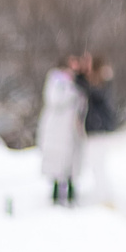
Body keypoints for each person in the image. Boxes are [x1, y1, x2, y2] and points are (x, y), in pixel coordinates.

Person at [39, 56, 87, 205]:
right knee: (57, 161)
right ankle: (56, 190)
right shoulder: (57, 81)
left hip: (72, 130)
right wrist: (71, 91)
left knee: (71, 161)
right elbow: (55, 100)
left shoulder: (79, 83)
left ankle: (71, 190)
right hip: (56, 130)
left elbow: (83, 104)